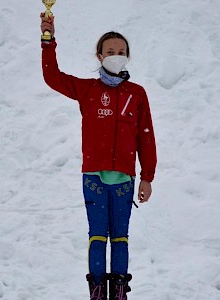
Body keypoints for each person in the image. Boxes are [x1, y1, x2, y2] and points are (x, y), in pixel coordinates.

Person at [40, 13, 157, 300]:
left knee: (120, 238)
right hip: (94, 177)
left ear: (127, 56)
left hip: (125, 180)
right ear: (99, 55)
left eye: (121, 52)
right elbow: (52, 77)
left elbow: (146, 136)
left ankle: (118, 293)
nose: (116, 56)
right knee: (97, 236)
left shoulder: (137, 94)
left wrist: (147, 177)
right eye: (110, 52)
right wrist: (47, 40)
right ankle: (96, 292)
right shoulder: (88, 90)